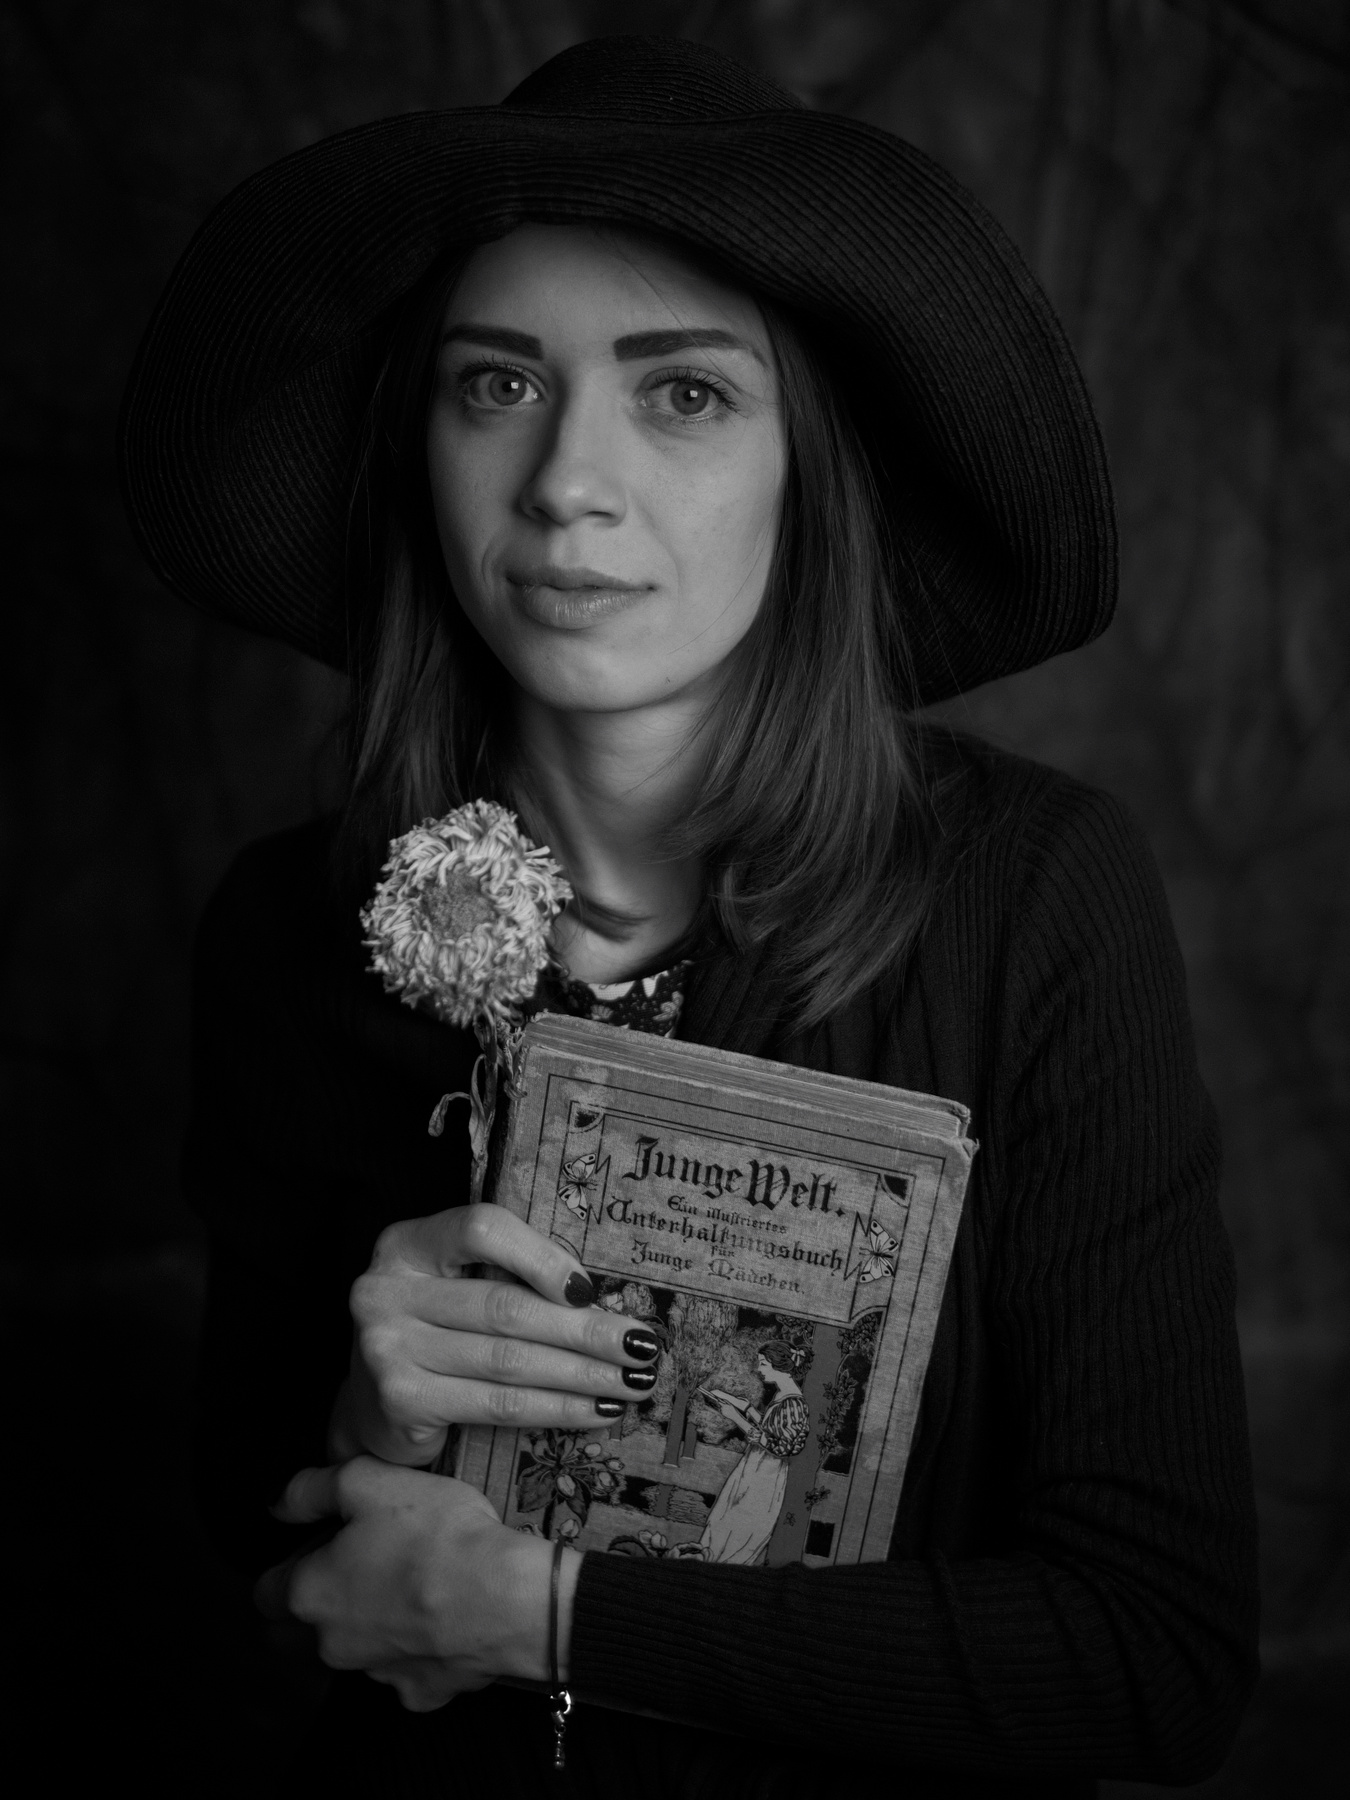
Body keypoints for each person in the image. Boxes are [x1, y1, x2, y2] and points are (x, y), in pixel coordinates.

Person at [120, 34, 1259, 1800]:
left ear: (811, 462)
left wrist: (548, 1616)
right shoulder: (292, 921)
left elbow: (1153, 1660)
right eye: (498, 383)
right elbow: (270, 1571)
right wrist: (365, 1414)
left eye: (683, 395)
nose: (566, 482)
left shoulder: (1035, 897)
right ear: (419, 441)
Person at [697, 1344, 811, 1565]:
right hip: (754, 1467)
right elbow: (771, 1429)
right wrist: (744, 1407)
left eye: (764, 1364)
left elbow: (784, 1447)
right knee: (723, 1519)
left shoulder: (794, 1402)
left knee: (738, 1528)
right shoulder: (783, 1395)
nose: (759, 1369)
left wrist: (736, 1418)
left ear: (780, 1366)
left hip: (765, 1475)